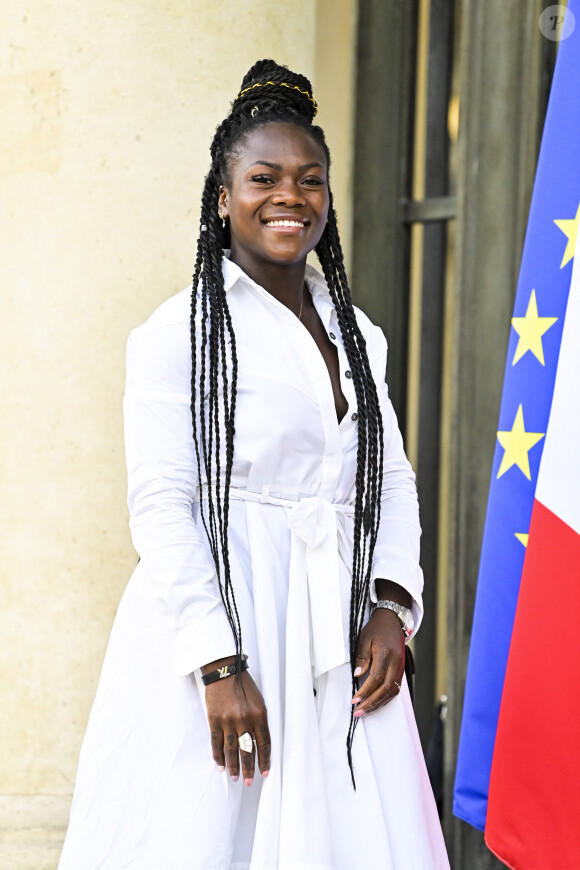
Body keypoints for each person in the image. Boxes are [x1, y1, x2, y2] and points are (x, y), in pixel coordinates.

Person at [58, 59, 449, 870]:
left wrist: (390, 602)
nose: (290, 197)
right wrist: (219, 664)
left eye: (310, 179)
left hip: (338, 636)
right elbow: (163, 505)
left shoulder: (356, 332)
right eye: (264, 177)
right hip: (231, 625)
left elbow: (391, 480)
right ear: (224, 192)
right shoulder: (180, 334)